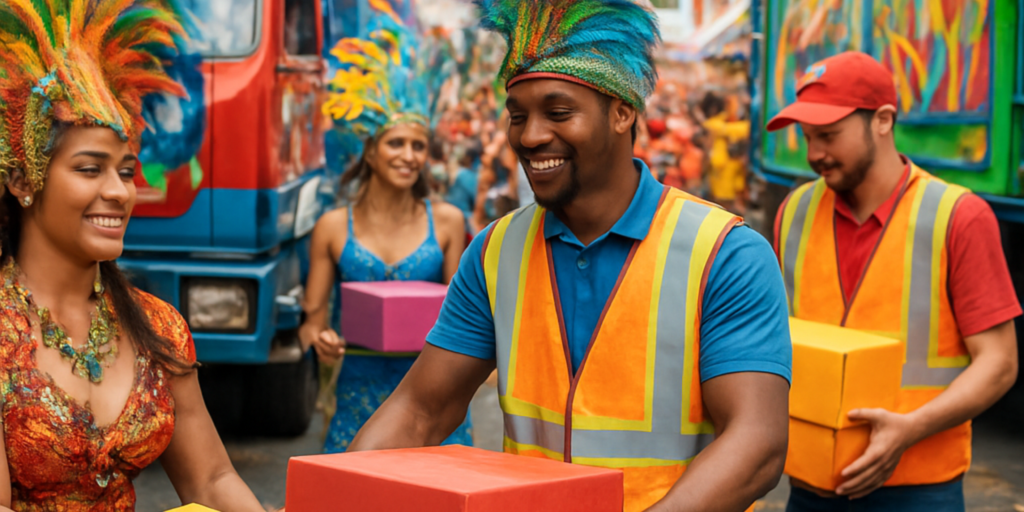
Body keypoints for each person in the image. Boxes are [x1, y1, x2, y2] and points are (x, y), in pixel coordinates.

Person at [347, 1, 793, 511]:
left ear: (623, 112)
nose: (531, 136)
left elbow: (756, 443)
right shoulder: (495, 252)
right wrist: (334, 492)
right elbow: (420, 410)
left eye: (558, 113)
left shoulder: (726, 254)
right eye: (518, 117)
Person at [0, 0, 264, 509]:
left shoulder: (157, 328)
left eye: (125, 171)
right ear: (21, 180)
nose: (120, 192)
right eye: (89, 168)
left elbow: (211, 480)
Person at [768, 51, 1020, 511]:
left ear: (883, 120)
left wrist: (911, 428)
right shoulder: (794, 213)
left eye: (828, 135)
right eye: (806, 138)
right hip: (809, 487)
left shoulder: (958, 217)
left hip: (919, 490)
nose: (814, 154)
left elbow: (999, 362)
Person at [301, 23, 473, 454]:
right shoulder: (333, 226)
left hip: (435, 400)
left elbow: (467, 319)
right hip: (359, 397)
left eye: (418, 146)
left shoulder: (449, 222)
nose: (409, 156)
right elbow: (311, 323)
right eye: (397, 143)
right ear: (371, 152)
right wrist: (321, 341)